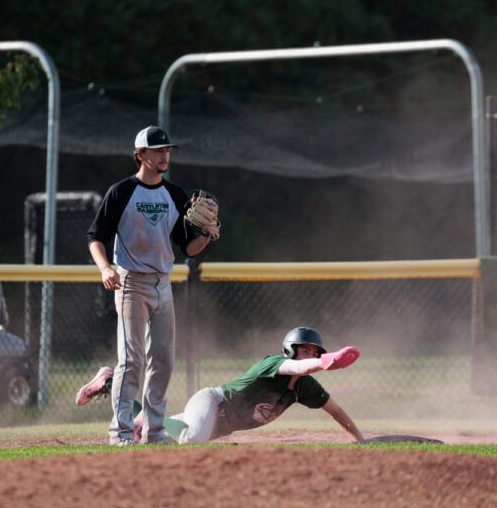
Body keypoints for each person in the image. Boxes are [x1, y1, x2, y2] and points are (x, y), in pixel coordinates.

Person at [81, 125, 213, 446]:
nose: (164, 155)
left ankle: (154, 431)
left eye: (167, 150)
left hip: (162, 283)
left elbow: (188, 248)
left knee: (164, 360)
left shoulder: (175, 194)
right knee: (132, 359)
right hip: (130, 283)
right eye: (158, 150)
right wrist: (104, 268)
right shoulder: (121, 192)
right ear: (140, 155)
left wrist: (207, 233)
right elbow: (95, 237)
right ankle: (121, 433)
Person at [134, 326, 364, 444]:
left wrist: (360, 441)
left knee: (165, 435)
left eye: (315, 353)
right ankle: (147, 416)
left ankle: (133, 406)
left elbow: (336, 411)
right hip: (213, 401)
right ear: (290, 351)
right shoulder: (274, 363)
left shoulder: (305, 387)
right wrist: (327, 361)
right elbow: (298, 368)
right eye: (305, 350)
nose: (310, 356)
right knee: (192, 439)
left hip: (222, 425)